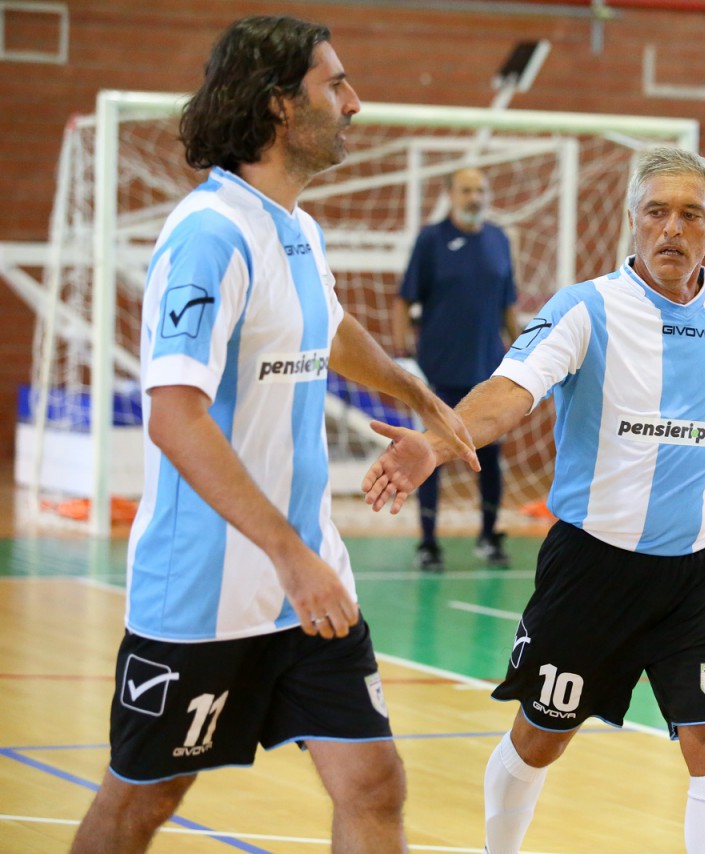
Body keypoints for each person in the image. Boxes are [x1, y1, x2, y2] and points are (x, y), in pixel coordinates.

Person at [70, 16, 478, 853]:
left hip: (308, 587)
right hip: (205, 596)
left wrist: (418, 395)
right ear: (279, 107)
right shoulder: (208, 235)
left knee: (372, 781)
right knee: (140, 802)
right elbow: (174, 416)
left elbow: (324, 330)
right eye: (336, 85)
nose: (355, 102)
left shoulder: (296, 226)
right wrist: (292, 558)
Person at [364, 147, 705, 854]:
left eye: (690, 214)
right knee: (541, 738)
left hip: (701, 576)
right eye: (657, 212)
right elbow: (511, 392)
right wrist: (437, 441)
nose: (673, 228)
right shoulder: (585, 308)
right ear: (633, 222)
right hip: (594, 571)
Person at [392, 167, 522, 571]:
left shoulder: (499, 240)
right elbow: (403, 300)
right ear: (450, 194)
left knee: (488, 458)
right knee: (430, 453)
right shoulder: (431, 241)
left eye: (481, 189)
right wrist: (403, 358)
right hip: (438, 372)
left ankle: (488, 534)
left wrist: (524, 355)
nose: (475, 197)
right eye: (466, 190)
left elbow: (509, 306)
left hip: (488, 374)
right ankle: (429, 543)